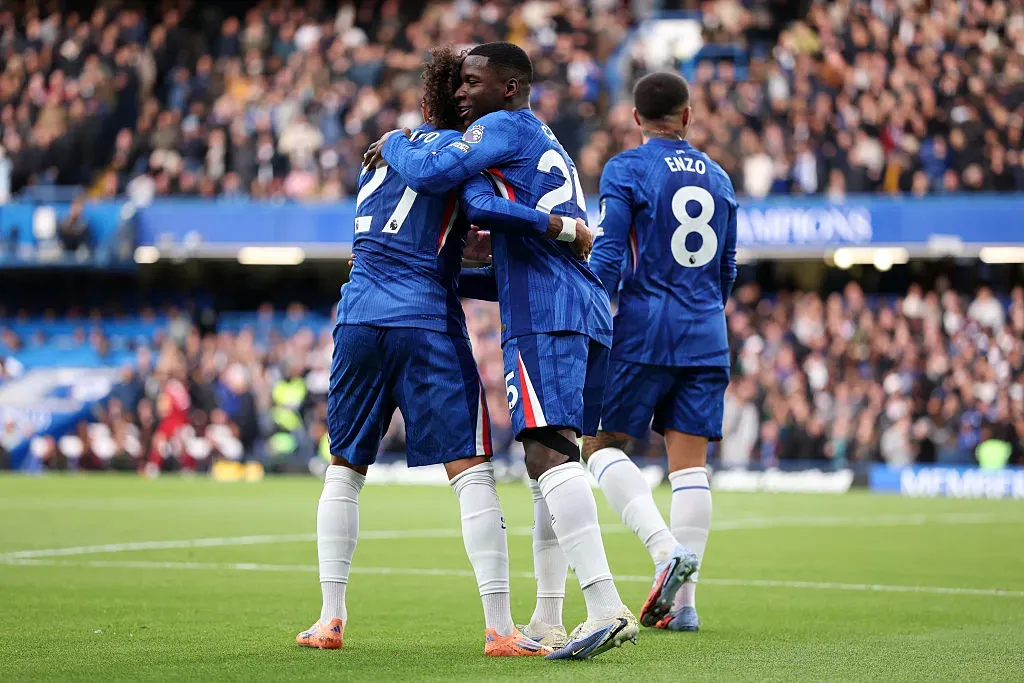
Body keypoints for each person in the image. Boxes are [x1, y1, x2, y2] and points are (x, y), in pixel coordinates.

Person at [298, 47, 581, 658]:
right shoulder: (461, 162)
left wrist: (395, 139)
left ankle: (329, 618)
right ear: (458, 106)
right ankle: (501, 629)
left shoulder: (376, 163)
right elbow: (465, 211)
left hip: (356, 317)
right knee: (470, 471)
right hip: (424, 320)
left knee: (344, 471)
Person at [366, 42, 638, 661]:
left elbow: (441, 178)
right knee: (555, 461)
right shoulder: (544, 141)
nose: (462, 93)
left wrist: (398, 142)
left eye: (474, 82)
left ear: (509, 88)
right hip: (580, 304)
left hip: (546, 315)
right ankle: (547, 620)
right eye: (458, 84)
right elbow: (516, 249)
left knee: (548, 459)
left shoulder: (501, 128)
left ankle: (606, 606)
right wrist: (444, 273)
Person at [584, 71, 739, 633]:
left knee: (598, 446)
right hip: (706, 332)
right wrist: (702, 311)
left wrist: (591, 314)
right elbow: (728, 270)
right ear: (688, 115)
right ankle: (687, 606)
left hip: (646, 327)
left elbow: (607, 257)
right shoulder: (720, 178)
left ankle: (664, 550)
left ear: (635, 117)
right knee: (690, 468)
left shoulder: (627, 168)